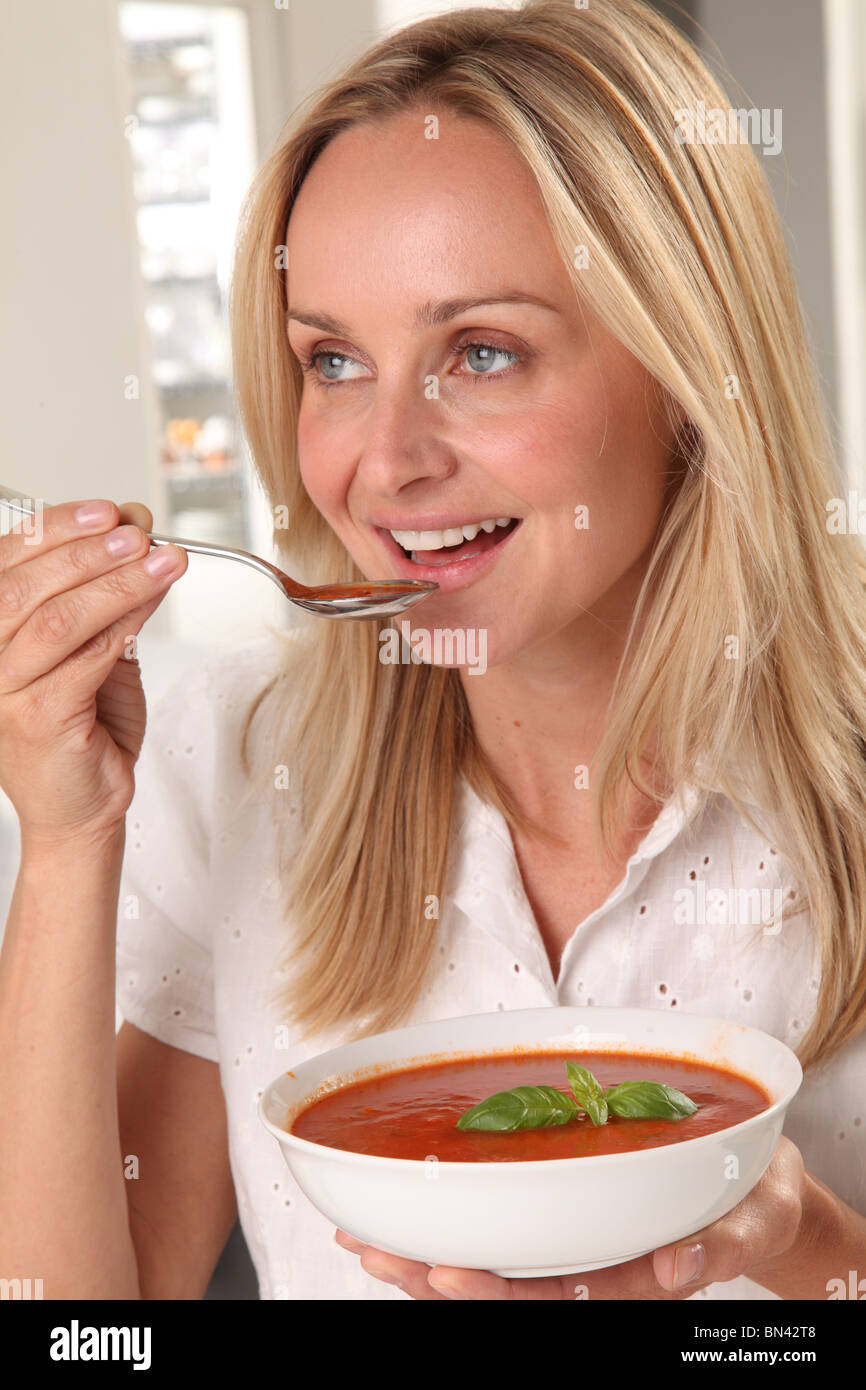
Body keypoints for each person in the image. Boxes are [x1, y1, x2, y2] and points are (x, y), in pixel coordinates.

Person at [1, 0, 865, 1302]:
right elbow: (83, 1335)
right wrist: (64, 840)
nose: (383, 463)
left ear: (688, 373)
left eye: (480, 350)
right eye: (334, 360)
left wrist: (812, 1252)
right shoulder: (233, 757)